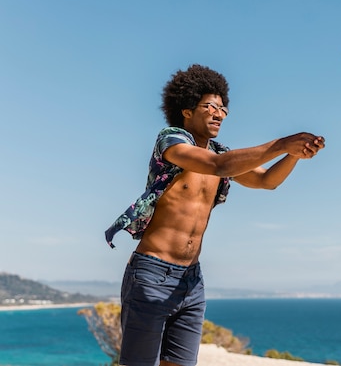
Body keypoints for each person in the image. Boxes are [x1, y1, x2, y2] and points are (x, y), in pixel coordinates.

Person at [104, 64, 325, 366]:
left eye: (223, 108)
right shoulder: (171, 142)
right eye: (211, 106)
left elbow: (266, 181)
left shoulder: (223, 153)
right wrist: (282, 143)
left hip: (191, 280)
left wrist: (294, 154)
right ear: (187, 110)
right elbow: (219, 165)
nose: (219, 114)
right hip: (151, 275)